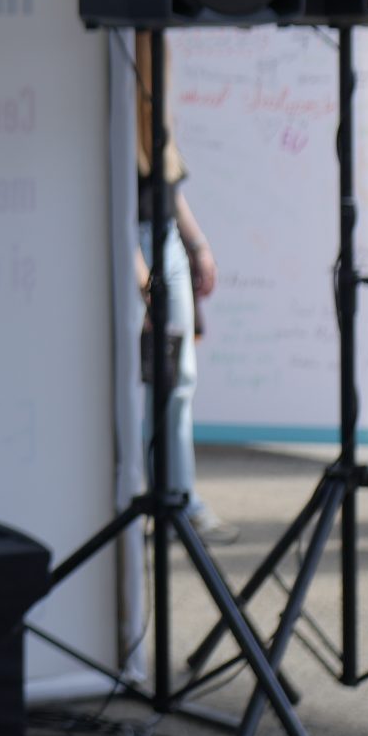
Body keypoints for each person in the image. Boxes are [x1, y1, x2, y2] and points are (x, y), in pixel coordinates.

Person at [134, 33, 232, 544]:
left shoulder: (157, 125)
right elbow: (111, 205)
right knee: (148, 383)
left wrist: (198, 246)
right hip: (136, 245)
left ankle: (180, 498)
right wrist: (141, 278)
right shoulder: (114, 118)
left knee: (178, 379)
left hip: (165, 240)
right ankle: (151, 498)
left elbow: (169, 189)